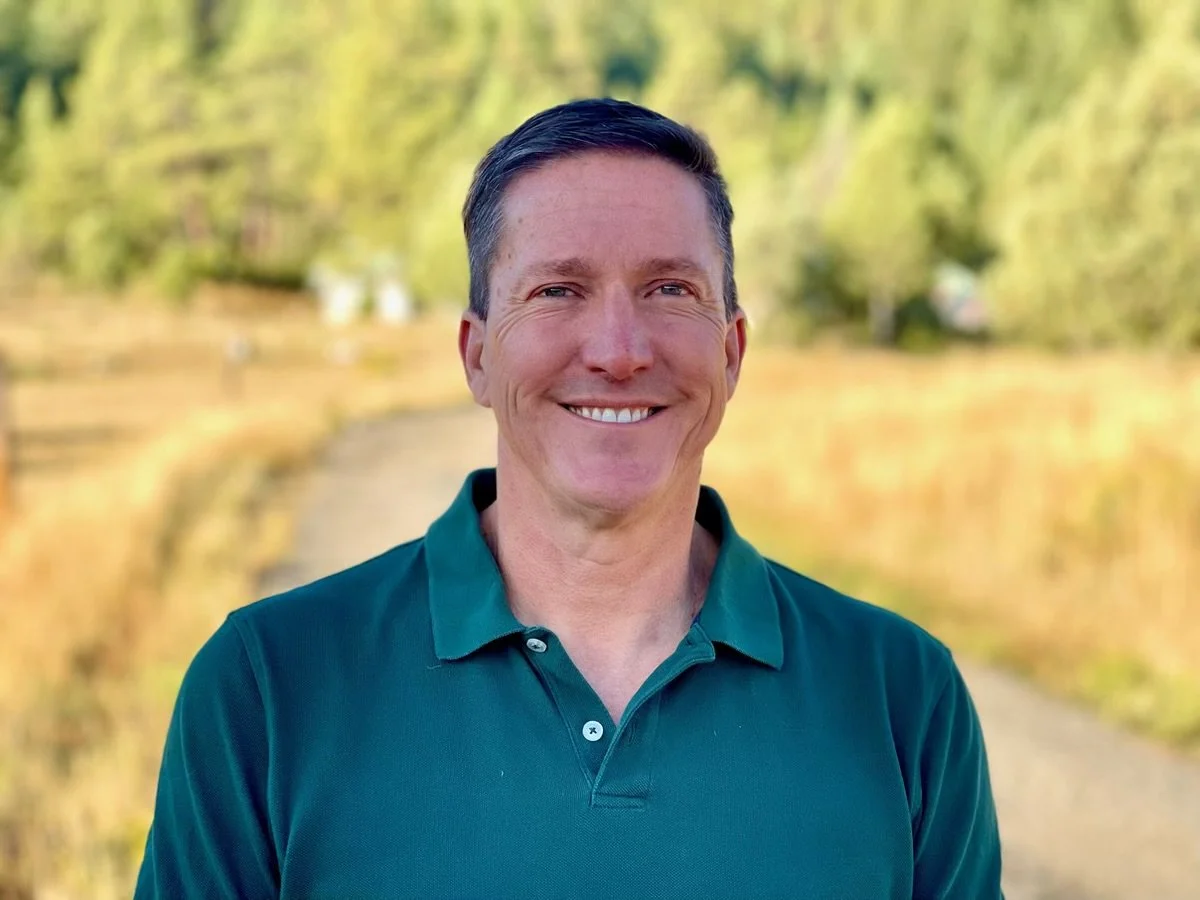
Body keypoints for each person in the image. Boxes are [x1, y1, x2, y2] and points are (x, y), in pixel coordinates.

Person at [134, 98, 1004, 899]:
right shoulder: (268, 688)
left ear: (733, 351)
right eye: (558, 290)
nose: (619, 351)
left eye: (671, 290)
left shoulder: (901, 697)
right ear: (477, 355)